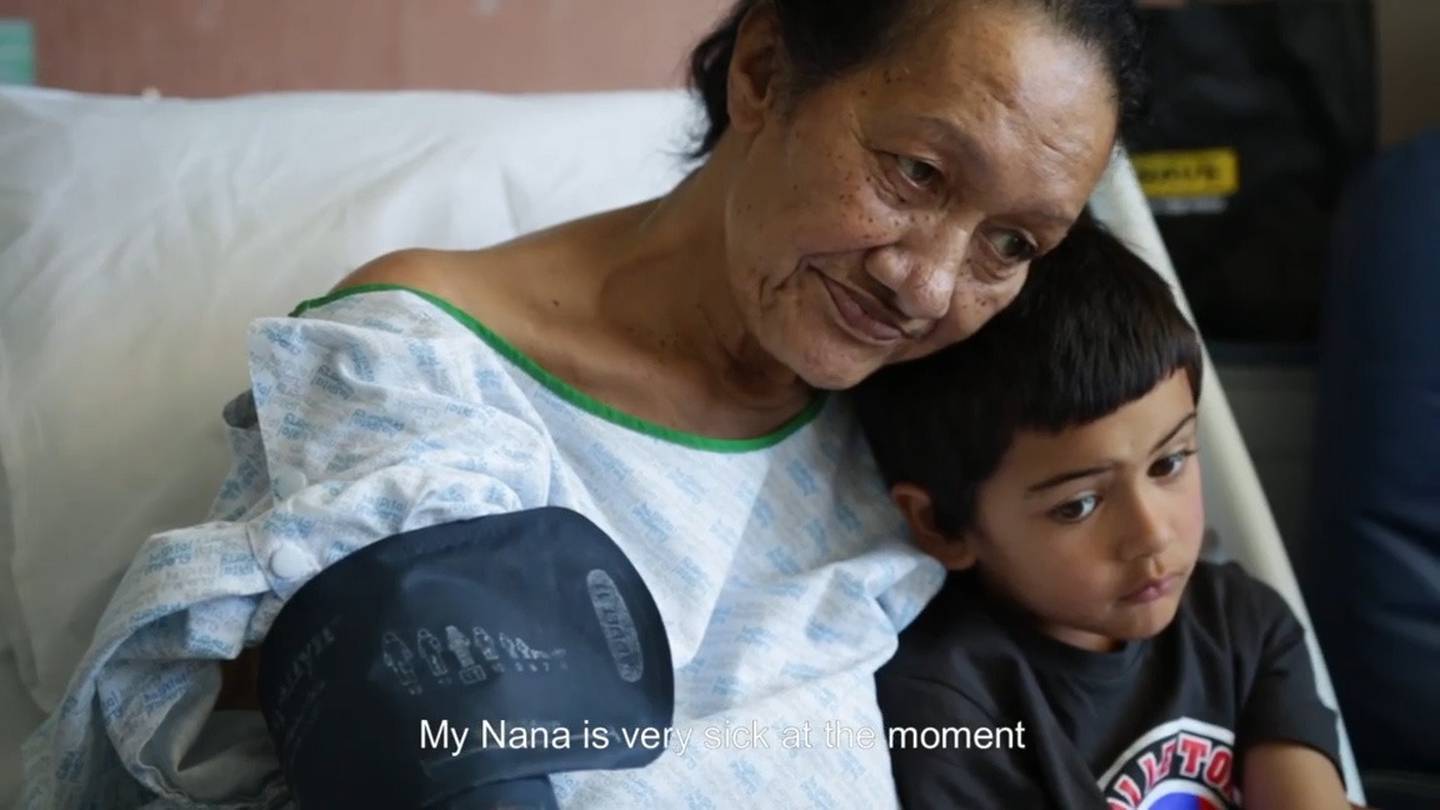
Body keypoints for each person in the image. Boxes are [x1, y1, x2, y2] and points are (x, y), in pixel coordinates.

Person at [21, 1, 1142, 807]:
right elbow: (437, 753)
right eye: (915, 173)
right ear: (762, 74)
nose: (931, 284)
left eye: (1012, 244)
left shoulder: (936, 423)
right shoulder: (424, 371)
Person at [856, 224, 1354, 809]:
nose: (1152, 534)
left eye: (1169, 463)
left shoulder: (1243, 626)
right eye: (1078, 505)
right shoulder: (951, 710)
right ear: (941, 523)